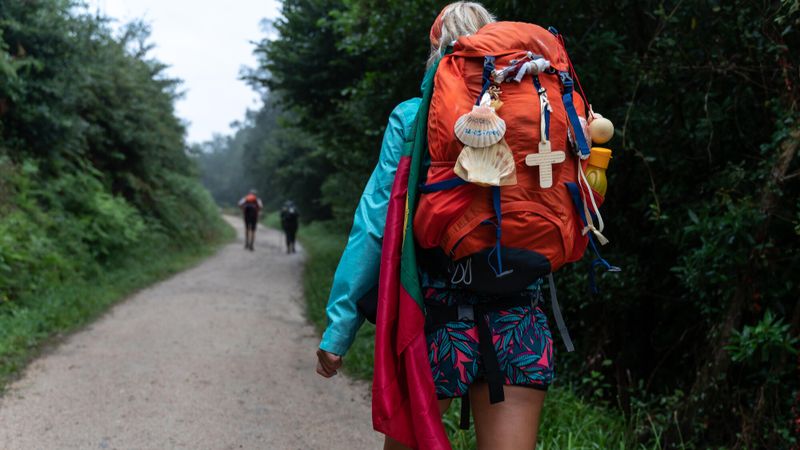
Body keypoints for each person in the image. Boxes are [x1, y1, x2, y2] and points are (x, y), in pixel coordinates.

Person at [316, 3, 558, 449]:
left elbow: (374, 223)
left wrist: (340, 327)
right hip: (519, 316)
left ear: (436, 49)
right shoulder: (535, 112)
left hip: (435, 322)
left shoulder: (414, 117)